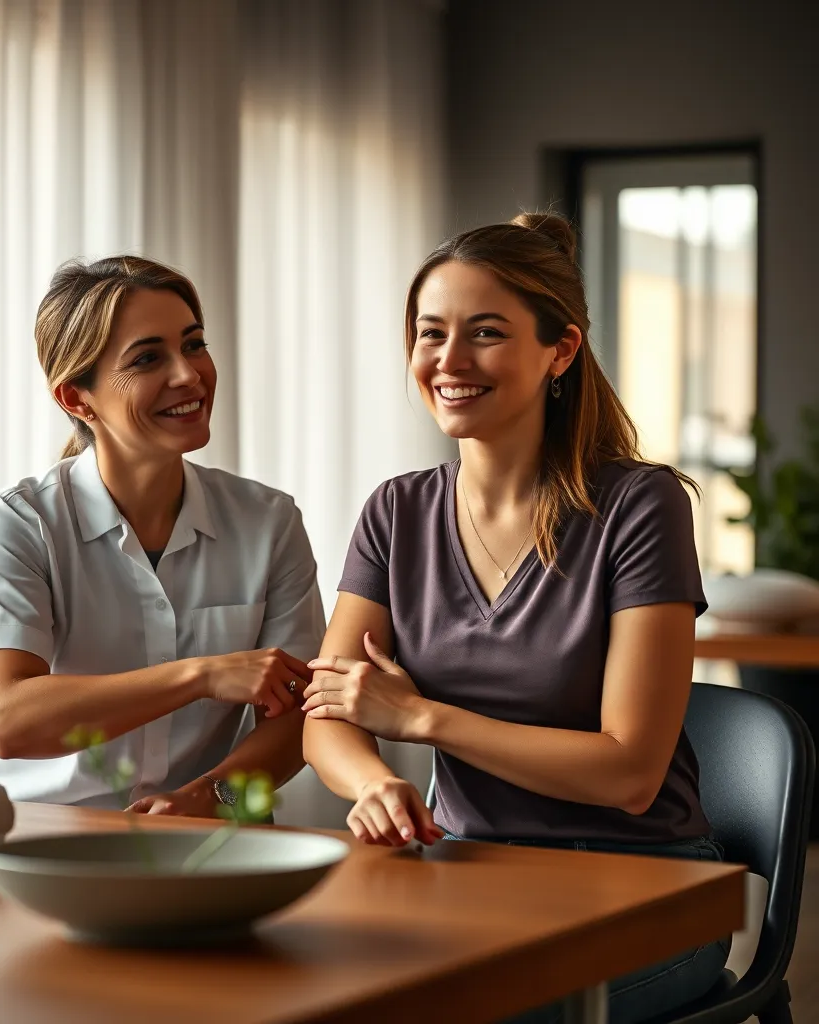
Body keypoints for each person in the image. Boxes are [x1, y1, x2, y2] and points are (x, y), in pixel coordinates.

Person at [300, 214, 730, 1022]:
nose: (450, 362)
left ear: (559, 351)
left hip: (643, 884)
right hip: (465, 874)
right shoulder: (396, 512)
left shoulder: (640, 507)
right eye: (432, 334)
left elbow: (630, 774)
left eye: (486, 334)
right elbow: (327, 715)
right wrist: (375, 782)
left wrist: (423, 718)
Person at [0, 255, 325, 814]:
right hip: (46, 841)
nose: (189, 374)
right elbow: (10, 720)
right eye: (149, 358)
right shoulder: (18, 522)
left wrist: (207, 799)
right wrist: (203, 675)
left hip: (208, 843)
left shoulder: (269, 522)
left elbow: (302, 713)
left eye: (194, 344)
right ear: (77, 399)